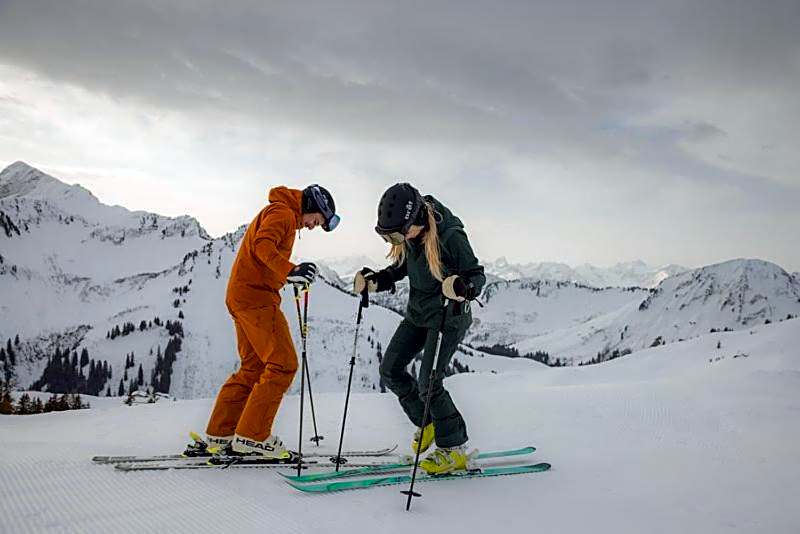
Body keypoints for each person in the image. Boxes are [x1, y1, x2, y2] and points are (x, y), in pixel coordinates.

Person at [354, 183, 485, 474]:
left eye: (398, 234)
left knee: (429, 382)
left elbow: (477, 276)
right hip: (419, 313)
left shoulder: (450, 235)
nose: (396, 240)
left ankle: (454, 448)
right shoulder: (410, 232)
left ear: (417, 221)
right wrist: (377, 281)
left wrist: (462, 286)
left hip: (447, 316)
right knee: (390, 370)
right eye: (388, 235)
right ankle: (427, 423)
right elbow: (402, 267)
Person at [201, 184, 339, 458]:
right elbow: (262, 246)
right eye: (316, 221)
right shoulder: (284, 214)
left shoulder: (279, 212)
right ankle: (253, 436)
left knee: (253, 367)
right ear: (312, 207)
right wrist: (290, 270)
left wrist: (287, 275)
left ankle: (221, 432)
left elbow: (262, 254)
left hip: (241, 295)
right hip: (256, 299)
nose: (312, 227)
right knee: (283, 363)